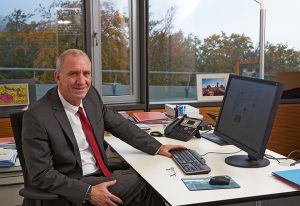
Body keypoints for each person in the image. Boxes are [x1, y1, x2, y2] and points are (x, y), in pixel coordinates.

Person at [22, 49, 186, 206]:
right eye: (73, 74)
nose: (81, 81)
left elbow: (119, 125)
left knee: (150, 180)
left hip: (100, 175)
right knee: (148, 185)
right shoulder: (37, 116)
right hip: (71, 188)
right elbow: (41, 174)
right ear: (58, 77)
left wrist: (158, 147)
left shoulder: (90, 96)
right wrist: (88, 192)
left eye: (86, 74)